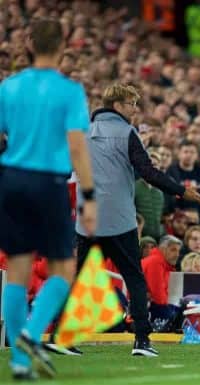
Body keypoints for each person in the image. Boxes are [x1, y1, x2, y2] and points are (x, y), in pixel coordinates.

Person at [75, 83, 200, 357]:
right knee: (134, 278)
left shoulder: (82, 131)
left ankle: (60, 337)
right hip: (119, 219)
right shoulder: (126, 132)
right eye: (132, 104)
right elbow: (149, 173)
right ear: (118, 105)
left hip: (86, 217)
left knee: (78, 277)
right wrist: (182, 191)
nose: (135, 110)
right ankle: (142, 341)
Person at [0, 19, 96, 379]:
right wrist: (89, 195)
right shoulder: (69, 91)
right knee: (64, 269)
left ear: (28, 45)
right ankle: (29, 333)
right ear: (61, 46)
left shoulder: (9, 87)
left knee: (17, 273)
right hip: (49, 183)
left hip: (12, 180)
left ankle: (20, 362)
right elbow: (76, 145)